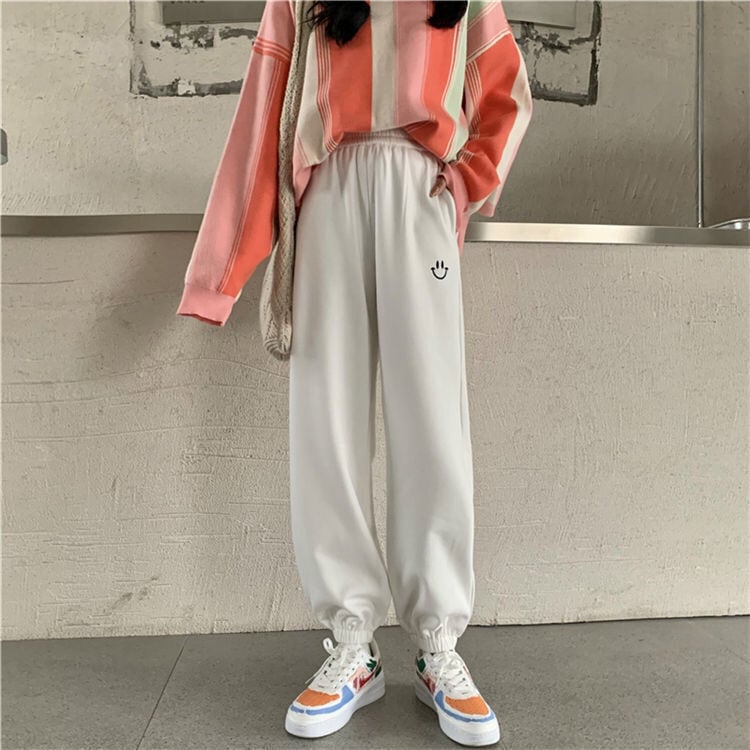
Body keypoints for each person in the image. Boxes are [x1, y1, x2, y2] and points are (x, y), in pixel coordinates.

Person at [176, 0, 532, 745]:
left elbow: (504, 89)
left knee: (433, 424)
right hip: (328, 192)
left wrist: (469, 177)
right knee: (325, 424)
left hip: (422, 193)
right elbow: (262, 120)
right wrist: (217, 277)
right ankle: (353, 643)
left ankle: (437, 644)